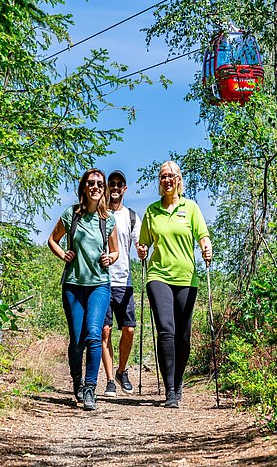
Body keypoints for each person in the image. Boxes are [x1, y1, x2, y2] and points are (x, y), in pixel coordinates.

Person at [137, 161, 212, 408]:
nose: (167, 180)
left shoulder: (190, 208)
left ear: (179, 179)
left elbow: (203, 235)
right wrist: (142, 249)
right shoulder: (152, 211)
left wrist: (206, 248)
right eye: (162, 177)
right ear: (159, 182)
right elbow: (144, 242)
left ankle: (178, 380)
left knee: (183, 335)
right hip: (158, 276)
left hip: (186, 278)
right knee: (166, 331)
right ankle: (169, 389)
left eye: (171, 176)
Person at [48, 168, 119, 411]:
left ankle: (90, 388)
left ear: (104, 189)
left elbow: (116, 250)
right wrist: (62, 255)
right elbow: (52, 240)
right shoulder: (71, 215)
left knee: (93, 334)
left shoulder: (108, 219)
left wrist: (111, 257)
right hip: (73, 286)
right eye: (91, 183)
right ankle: (77, 381)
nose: (95, 187)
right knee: (77, 340)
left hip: (99, 284)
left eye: (99, 183)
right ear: (83, 187)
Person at [100, 170, 141, 396]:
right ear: (108, 188)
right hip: (101, 280)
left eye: (119, 184)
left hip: (124, 281)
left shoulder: (132, 216)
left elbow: (139, 243)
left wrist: (143, 250)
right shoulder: (99, 214)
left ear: (125, 188)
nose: (115, 188)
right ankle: (109, 380)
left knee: (129, 329)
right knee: (104, 331)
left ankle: (121, 371)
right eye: (112, 184)